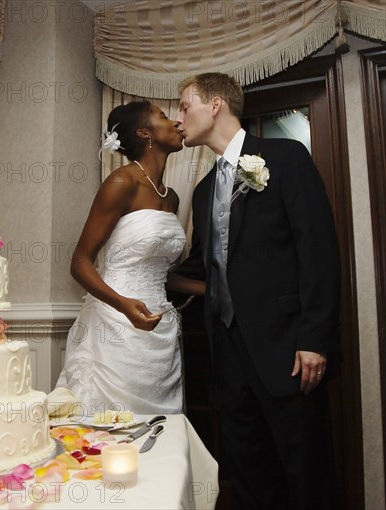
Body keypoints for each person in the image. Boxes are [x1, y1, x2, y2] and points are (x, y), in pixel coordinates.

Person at [175, 72, 340, 509]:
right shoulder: (205, 189)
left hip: (289, 350)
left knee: (306, 473)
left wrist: (313, 339)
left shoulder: (285, 157)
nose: (179, 117)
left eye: (184, 105)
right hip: (229, 353)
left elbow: (318, 249)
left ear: (214, 105)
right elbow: (203, 267)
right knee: (249, 474)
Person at [56, 100, 205, 415]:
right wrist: (123, 305)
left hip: (160, 325)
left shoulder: (172, 197)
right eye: (164, 118)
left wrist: (207, 289)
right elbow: (80, 262)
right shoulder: (121, 183)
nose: (177, 124)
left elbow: (158, 273)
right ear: (144, 133)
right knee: (114, 427)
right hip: (116, 325)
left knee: (161, 432)